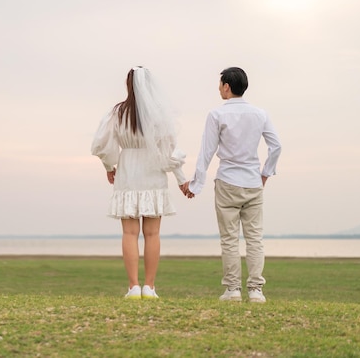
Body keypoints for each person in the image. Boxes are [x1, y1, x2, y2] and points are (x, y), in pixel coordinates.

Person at [181, 67, 282, 303]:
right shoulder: (260, 114)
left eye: (220, 84)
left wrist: (195, 185)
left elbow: (207, 152)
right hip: (253, 182)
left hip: (227, 181)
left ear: (227, 86)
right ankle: (256, 290)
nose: (218, 88)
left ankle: (233, 290)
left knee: (229, 239)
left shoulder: (216, 115)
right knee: (255, 238)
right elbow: (276, 146)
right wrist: (265, 174)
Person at [91, 66, 187, 299]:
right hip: (153, 172)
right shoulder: (159, 115)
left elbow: (104, 144)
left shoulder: (118, 112)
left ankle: (133, 286)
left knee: (129, 234)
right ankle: (150, 287)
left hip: (128, 172)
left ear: (129, 84)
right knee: (152, 234)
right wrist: (182, 180)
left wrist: (108, 167)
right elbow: (169, 150)